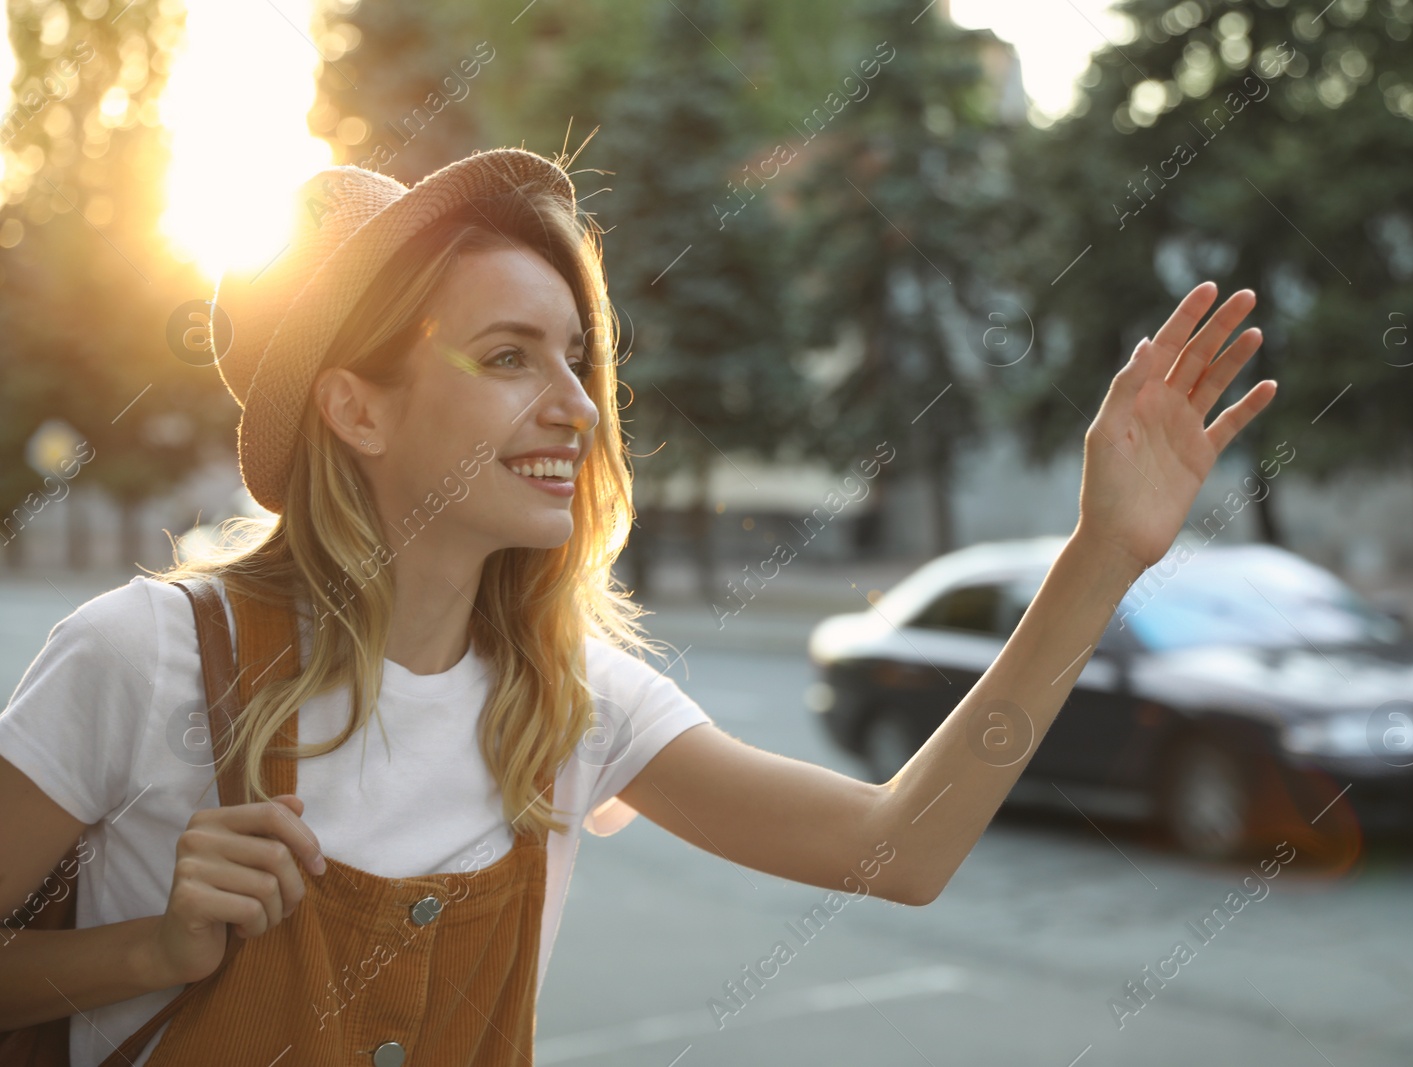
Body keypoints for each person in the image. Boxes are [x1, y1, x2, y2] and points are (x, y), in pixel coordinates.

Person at [0, 147, 1274, 1065]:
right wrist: (147, 950)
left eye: (576, 355)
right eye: (508, 356)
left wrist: (1101, 552)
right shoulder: (142, 653)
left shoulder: (572, 698)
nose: (577, 404)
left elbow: (900, 848)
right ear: (359, 406)